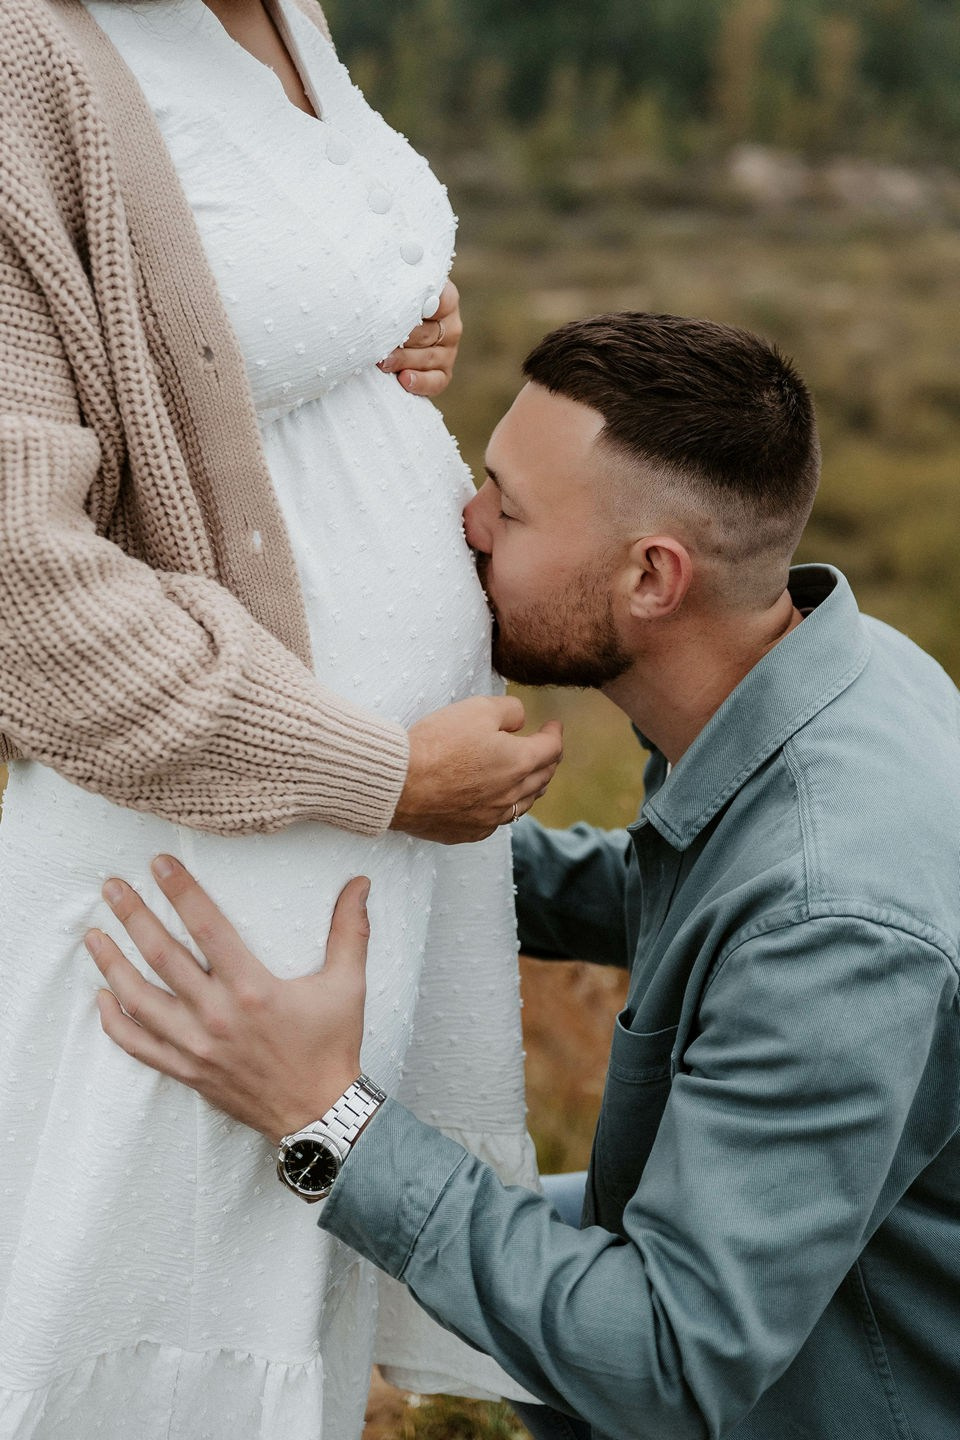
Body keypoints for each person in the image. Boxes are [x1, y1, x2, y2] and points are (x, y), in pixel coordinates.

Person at [86, 311, 960, 1440]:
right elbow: (694, 904)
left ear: (654, 576)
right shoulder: (841, 679)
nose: (468, 523)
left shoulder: (833, 916)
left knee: (369, 1221)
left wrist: (321, 1115)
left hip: (854, 1391)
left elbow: (668, 1360)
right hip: (814, 1299)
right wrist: (384, 808)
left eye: (510, 503)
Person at [0, 1, 563, 1436]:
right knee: (147, 1341)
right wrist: (374, 769)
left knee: (279, 1333)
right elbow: (19, 579)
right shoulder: (27, 56)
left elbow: (221, 320)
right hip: (204, 839)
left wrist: (395, 309)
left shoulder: (282, 12)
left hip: (358, 849)